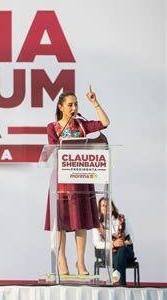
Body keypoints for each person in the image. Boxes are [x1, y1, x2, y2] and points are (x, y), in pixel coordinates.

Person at [44, 86, 110, 276]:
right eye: (70, 104)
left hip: (81, 178)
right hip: (61, 180)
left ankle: (80, 262)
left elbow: (105, 123)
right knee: (61, 221)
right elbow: (53, 150)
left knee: (81, 221)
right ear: (61, 107)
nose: (74, 107)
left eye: (76, 104)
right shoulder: (53, 127)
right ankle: (61, 259)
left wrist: (94, 102)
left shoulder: (82, 125)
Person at [93, 198, 136, 285]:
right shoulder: (97, 224)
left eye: (108, 205)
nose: (106, 207)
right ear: (100, 208)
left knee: (122, 250)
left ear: (112, 206)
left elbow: (132, 238)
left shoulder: (122, 219)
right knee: (118, 256)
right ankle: (121, 283)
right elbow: (97, 244)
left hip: (126, 251)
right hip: (108, 253)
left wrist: (122, 243)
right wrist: (112, 244)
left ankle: (117, 276)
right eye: (103, 206)